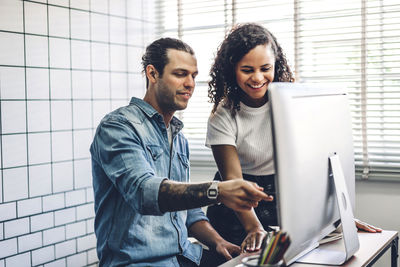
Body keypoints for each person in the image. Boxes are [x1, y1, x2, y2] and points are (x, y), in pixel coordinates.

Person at [90, 37, 273, 267]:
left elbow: (190, 211)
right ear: (152, 74)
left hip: (184, 256)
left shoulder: (178, 138)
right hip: (137, 262)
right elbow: (143, 192)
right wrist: (216, 190)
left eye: (193, 76)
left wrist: (218, 242)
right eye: (180, 74)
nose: (190, 83)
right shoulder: (118, 127)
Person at [205, 23, 382, 254]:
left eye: (265, 68)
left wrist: (338, 220)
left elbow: (315, 167)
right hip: (237, 210)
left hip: (281, 196)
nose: (257, 78)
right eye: (247, 70)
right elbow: (234, 183)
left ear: (276, 65)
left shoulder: (293, 104)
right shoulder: (223, 114)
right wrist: (255, 228)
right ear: (232, 68)